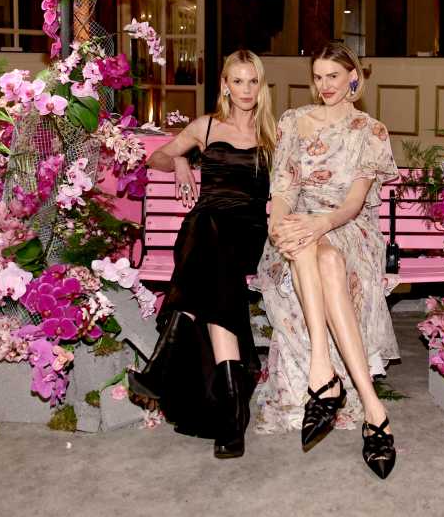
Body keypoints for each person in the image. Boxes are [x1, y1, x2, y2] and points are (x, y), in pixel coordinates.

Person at [252, 42, 401, 479]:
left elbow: (353, 205)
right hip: (301, 224)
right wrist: (279, 225)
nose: (325, 85)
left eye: (333, 76)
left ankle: (325, 378)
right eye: (318, 77)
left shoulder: (370, 130)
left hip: (347, 226)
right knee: (313, 250)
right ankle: (373, 410)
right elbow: (283, 189)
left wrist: (318, 225)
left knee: (326, 253)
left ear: (354, 77)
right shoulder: (293, 121)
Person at [128, 50, 275, 459]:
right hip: (203, 229)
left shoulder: (273, 134)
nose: (245, 89)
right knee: (209, 233)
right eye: (237, 81)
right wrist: (179, 161)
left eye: (252, 81)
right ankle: (232, 421)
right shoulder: (205, 126)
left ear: (261, 86)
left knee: (215, 243)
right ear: (225, 85)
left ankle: (162, 367)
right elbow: (157, 156)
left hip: (247, 232)